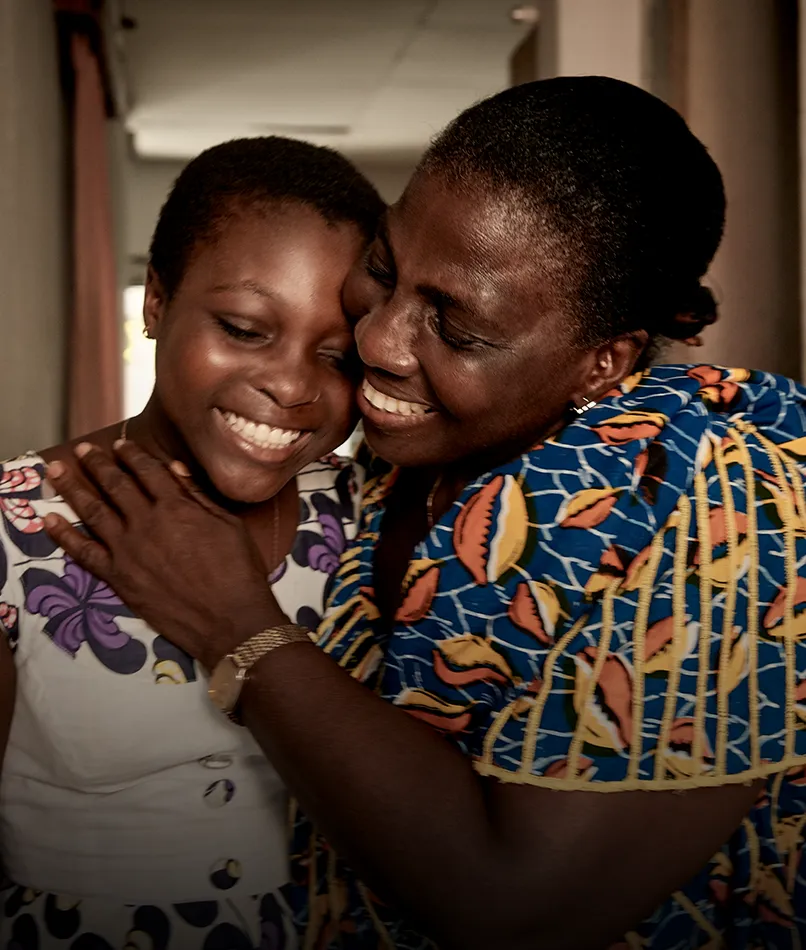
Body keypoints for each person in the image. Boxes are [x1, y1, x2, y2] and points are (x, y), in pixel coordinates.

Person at [44, 77, 806, 950]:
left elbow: (515, 905)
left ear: (604, 361)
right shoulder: (389, 454)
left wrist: (236, 626)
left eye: (457, 328)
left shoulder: (723, 500)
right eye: (386, 269)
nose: (376, 340)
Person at [0, 136, 384, 949]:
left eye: (335, 356)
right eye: (245, 328)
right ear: (157, 303)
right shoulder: (12, 528)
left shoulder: (370, 522)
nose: (291, 385)